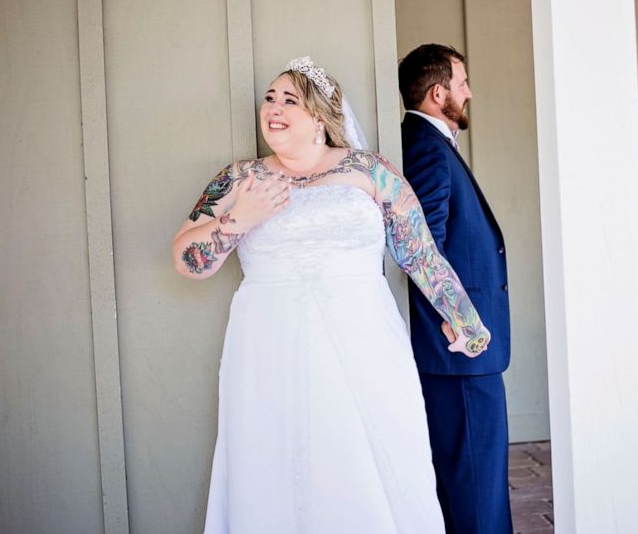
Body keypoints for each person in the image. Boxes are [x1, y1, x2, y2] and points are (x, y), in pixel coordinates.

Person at [172, 56, 491, 533]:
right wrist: (239, 218)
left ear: (319, 117)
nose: (273, 108)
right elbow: (186, 259)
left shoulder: (371, 172)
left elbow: (420, 255)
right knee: (277, 464)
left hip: (364, 342)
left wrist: (462, 316)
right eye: (269, 99)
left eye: (289, 100)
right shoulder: (238, 180)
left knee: (367, 462)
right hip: (269, 347)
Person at [399, 45, 512, 533]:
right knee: (474, 486)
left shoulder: (431, 143)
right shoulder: (426, 148)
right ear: (437, 92)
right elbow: (425, 251)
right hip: (459, 350)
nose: (469, 93)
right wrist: (463, 326)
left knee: (472, 481)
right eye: (462, 83)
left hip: (461, 351)